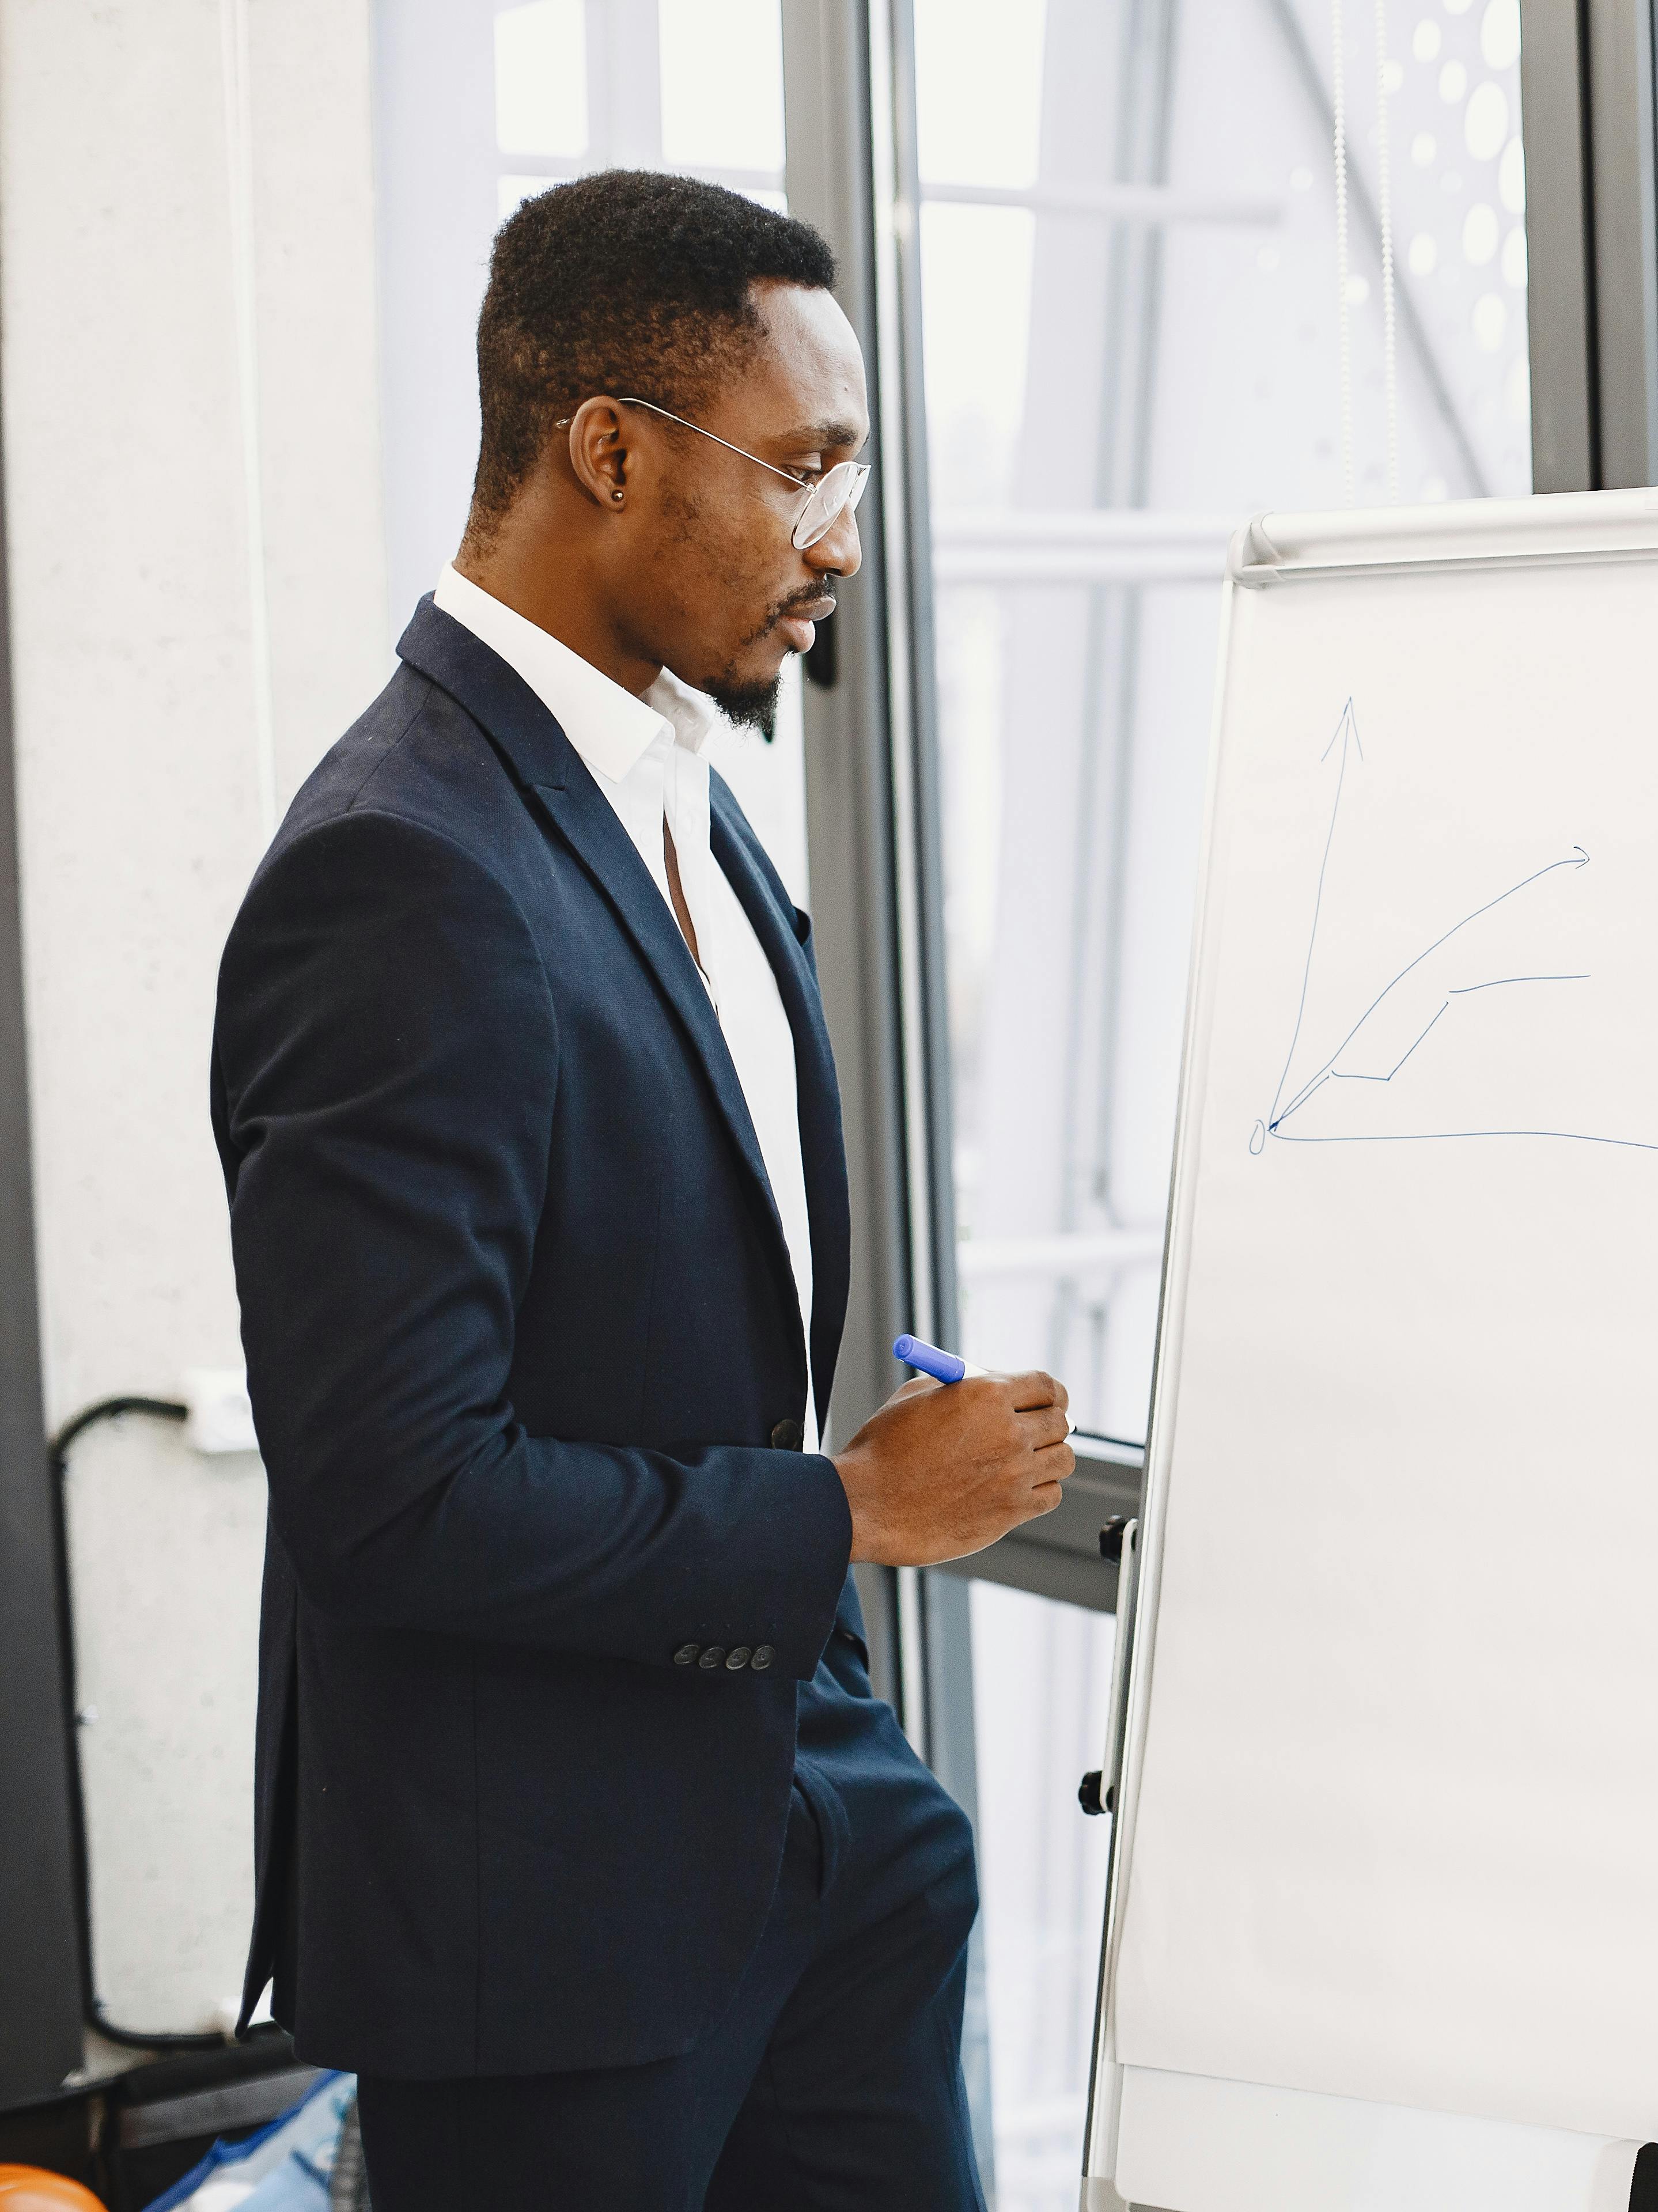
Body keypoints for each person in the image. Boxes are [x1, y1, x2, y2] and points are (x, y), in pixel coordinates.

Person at [210, 169, 1060, 2209]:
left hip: (823, 1846)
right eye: (804, 474)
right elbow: (391, 1493)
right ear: (606, 449)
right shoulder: (398, 871)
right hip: (551, 1941)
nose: (839, 543)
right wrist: (847, 1511)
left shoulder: (676, 789)